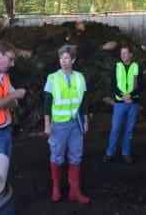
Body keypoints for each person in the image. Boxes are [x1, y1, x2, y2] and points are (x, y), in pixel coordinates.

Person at [43, 45, 90, 204]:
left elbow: (84, 102)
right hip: (59, 125)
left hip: (76, 123)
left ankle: (74, 191)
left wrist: (85, 121)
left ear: (73, 60)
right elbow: (47, 103)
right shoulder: (52, 78)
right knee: (57, 155)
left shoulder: (80, 77)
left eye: (66, 58)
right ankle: (56, 187)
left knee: (76, 156)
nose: (63, 61)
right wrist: (47, 124)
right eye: (61, 58)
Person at [102, 45, 144, 164]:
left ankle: (126, 153)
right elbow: (113, 85)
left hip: (133, 103)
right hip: (120, 103)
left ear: (131, 54)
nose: (123, 55)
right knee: (115, 129)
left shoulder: (137, 67)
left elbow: (141, 85)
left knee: (129, 130)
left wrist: (130, 95)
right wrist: (123, 97)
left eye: (125, 53)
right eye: (121, 53)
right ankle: (110, 153)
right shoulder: (116, 67)